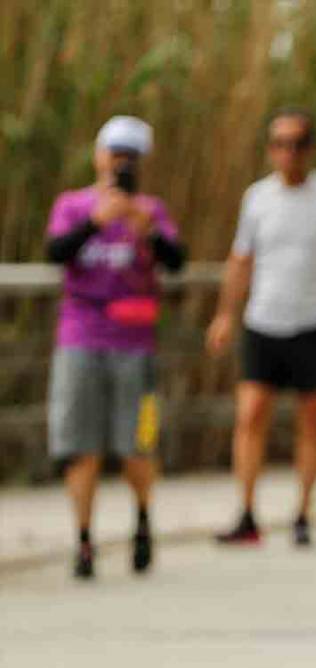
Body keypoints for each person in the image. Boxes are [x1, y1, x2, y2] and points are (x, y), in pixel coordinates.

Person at [206, 107, 316, 547]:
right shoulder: (257, 197)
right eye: (280, 144)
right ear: (270, 150)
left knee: (312, 419)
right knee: (250, 414)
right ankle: (246, 512)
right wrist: (225, 313)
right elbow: (242, 259)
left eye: (298, 143)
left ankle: (302, 512)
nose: (289, 153)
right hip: (265, 319)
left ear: (311, 149)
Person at [44, 115, 187, 579]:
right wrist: (94, 222)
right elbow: (56, 252)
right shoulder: (73, 205)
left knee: (137, 443)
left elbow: (176, 262)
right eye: (114, 153)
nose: (120, 163)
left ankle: (142, 520)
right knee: (80, 444)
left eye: (129, 156)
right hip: (80, 338)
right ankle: (84, 540)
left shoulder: (151, 211)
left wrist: (146, 228)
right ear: (98, 155)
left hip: (135, 345)